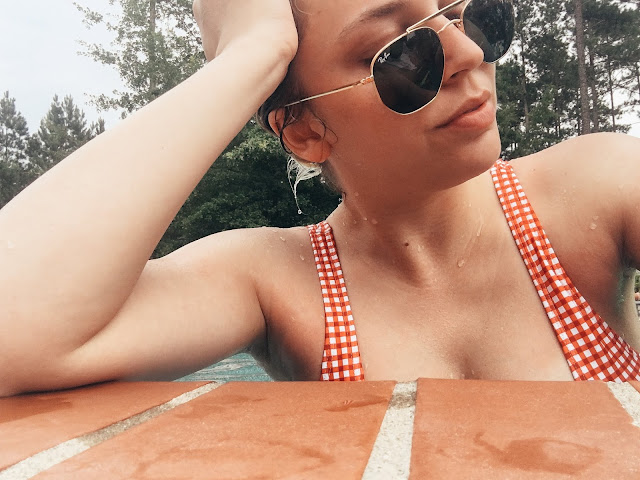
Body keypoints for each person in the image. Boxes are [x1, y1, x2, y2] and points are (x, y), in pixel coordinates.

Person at [1, 0, 639, 397]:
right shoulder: (277, 282)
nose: (469, 52)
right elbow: (14, 328)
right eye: (399, 53)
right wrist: (250, 56)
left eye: (466, 13)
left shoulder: (595, 187)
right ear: (306, 131)